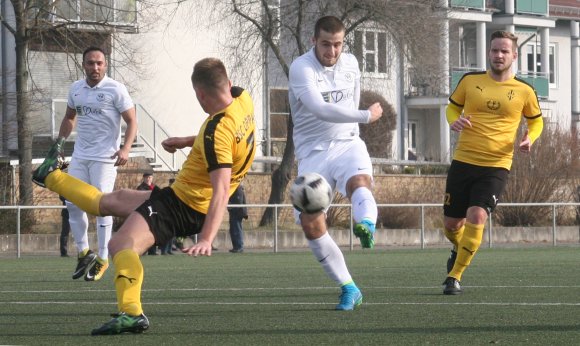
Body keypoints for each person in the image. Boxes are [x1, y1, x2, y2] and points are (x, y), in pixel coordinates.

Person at [32, 57, 256, 335]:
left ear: (200, 94)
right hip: (179, 196)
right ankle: (49, 175)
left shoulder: (216, 133)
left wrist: (207, 239)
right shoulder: (243, 100)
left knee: (119, 245)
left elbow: (221, 189)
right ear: (229, 84)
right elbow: (225, 137)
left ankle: (132, 312)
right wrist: (186, 142)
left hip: (184, 207)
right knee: (110, 201)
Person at [288, 16, 383, 310]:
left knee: (359, 183)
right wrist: (365, 116)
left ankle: (366, 224)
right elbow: (320, 109)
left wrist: (356, 125)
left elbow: (349, 103)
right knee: (310, 222)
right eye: (326, 44)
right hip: (312, 153)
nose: (332, 51)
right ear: (314, 41)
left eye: (338, 44)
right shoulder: (301, 67)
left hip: (347, 143)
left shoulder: (351, 64)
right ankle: (348, 287)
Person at [442, 30, 543, 295]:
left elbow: (536, 120)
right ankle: (459, 246)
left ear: (514, 55)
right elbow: (452, 106)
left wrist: (529, 137)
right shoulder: (470, 81)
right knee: (451, 226)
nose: (498, 55)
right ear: (489, 52)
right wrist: (454, 120)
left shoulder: (525, 90)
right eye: (494, 50)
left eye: (504, 51)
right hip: (463, 161)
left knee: (477, 215)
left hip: (497, 165)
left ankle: (455, 276)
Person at [33, 46, 137, 282]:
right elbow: (69, 118)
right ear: (84, 65)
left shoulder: (116, 89)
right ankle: (83, 252)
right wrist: (58, 144)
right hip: (80, 156)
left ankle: (103, 257)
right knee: (72, 203)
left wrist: (126, 148)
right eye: (90, 63)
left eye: (99, 63)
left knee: (102, 205)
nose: (95, 67)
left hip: (106, 158)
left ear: (105, 65)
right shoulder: (76, 89)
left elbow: (132, 121)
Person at [136, 173, 161, 255]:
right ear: (144, 178)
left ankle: (152, 250)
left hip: (153, 212)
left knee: (153, 231)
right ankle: (142, 250)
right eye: (146, 177)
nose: (148, 179)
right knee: (143, 231)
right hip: (145, 211)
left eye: (150, 177)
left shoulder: (155, 187)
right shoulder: (141, 188)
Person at [228, 184, 248, 253]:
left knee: (237, 228)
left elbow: (238, 202)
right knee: (233, 229)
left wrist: (230, 206)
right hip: (233, 212)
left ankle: (239, 247)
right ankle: (236, 247)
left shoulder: (237, 188)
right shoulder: (233, 188)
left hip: (237, 212)